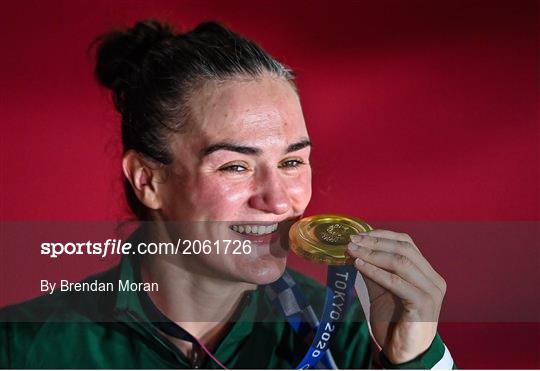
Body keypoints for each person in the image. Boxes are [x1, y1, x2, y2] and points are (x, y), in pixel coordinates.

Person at [0, 20, 455, 369]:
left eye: (292, 161)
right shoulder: (24, 345)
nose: (278, 202)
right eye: (236, 166)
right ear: (148, 180)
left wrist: (413, 359)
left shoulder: (350, 334)